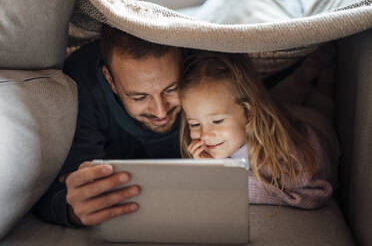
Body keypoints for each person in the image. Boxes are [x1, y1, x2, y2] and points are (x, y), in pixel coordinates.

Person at [33, 25, 184, 226]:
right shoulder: (80, 83)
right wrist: (75, 209)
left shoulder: (205, 67)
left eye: (171, 89)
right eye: (139, 97)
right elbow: (50, 191)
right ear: (110, 80)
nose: (161, 111)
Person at [179, 51, 335, 208]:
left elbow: (317, 193)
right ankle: (305, 75)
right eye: (194, 124)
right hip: (284, 112)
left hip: (318, 129)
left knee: (319, 105)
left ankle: (314, 74)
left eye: (217, 121)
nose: (205, 135)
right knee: (279, 99)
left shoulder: (280, 157)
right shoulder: (220, 141)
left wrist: (223, 176)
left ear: (249, 113)